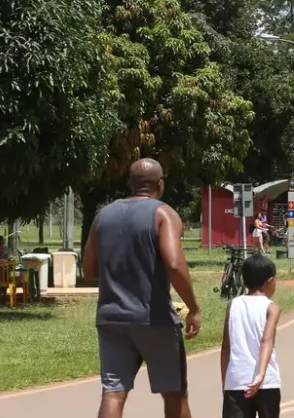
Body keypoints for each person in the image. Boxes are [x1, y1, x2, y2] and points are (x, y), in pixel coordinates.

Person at [82, 158, 201, 418]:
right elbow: (175, 265)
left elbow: (88, 271)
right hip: (154, 319)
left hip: (111, 319)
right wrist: (193, 308)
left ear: (130, 183)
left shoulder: (104, 215)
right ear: (160, 184)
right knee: (175, 392)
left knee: (113, 393)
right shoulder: (163, 214)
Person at [221, 254, 282, 418]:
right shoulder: (272, 307)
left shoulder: (233, 305)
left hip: (236, 381)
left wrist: (225, 383)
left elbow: (226, 348)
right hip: (266, 382)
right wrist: (260, 375)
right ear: (270, 281)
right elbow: (267, 341)